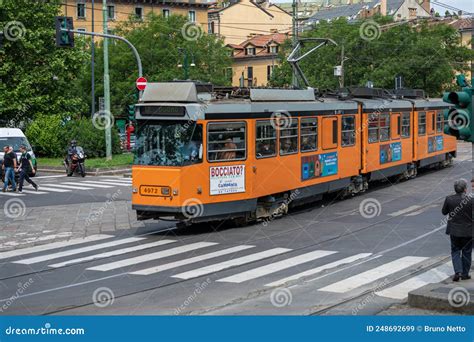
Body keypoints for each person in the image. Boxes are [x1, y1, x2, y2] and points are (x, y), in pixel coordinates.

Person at [442, 179, 473, 281]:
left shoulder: (449, 199)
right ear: (465, 189)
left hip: (454, 231)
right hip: (468, 231)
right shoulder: (471, 199)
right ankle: (465, 274)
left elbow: (444, 212)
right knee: (467, 252)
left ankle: (457, 272)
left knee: (455, 251)